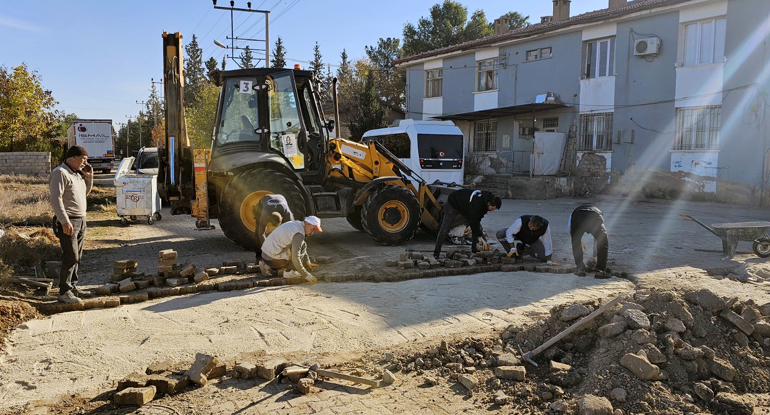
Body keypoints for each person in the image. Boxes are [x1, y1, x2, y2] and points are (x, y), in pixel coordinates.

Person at [49, 145, 93, 304]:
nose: (85, 163)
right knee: (71, 255)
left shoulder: (76, 174)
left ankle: (73, 287)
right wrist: (64, 220)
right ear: (73, 157)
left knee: (78, 257)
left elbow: (84, 194)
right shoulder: (60, 173)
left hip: (81, 220)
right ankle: (64, 291)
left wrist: (89, 177)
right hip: (69, 221)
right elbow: (56, 198)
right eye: (83, 159)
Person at [433, 189, 501, 258]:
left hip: (465, 207)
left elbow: (476, 222)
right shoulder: (478, 202)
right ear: (489, 203)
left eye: (494, 209)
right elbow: (473, 220)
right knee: (445, 227)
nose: (492, 210)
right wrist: (479, 237)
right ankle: (436, 252)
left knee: (477, 227)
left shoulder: (485, 204)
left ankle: (474, 250)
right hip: (453, 203)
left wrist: (480, 236)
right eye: (492, 208)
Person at [259, 216, 322, 283]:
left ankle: (267, 265)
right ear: (306, 225)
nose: (312, 233)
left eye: (314, 230)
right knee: (296, 254)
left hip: (266, 254)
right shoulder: (299, 234)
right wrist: (306, 275)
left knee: (301, 245)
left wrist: (307, 260)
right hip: (272, 259)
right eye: (312, 229)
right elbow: (295, 257)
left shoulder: (297, 224)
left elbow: (303, 244)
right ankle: (289, 273)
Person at [569, 205, 609, 278]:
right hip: (595, 217)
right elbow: (599, 241)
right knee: (603, 242)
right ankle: (600, 271)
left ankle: (580, 268)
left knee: (575, 242)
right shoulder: (599, 215)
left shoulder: (572, 215)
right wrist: (595, 257)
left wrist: (577, 241)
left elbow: (572, 232)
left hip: (578, 217)